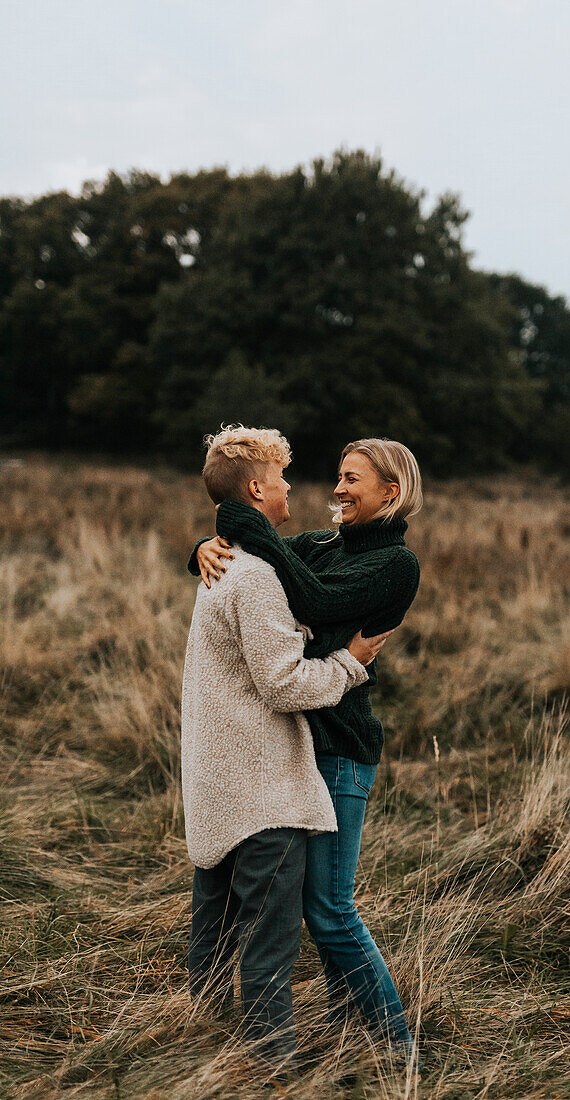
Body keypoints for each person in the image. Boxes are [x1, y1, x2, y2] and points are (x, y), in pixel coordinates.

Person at [189, 436, 423, 1065]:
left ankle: (397, 1047)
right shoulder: (320, 546)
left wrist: (235, 524)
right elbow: (255, 568)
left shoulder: (395, 566)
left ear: (391, 493)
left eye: (353, 479)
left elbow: (313, 600)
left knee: (328, 907)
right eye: (339, 476)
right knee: (305, 908)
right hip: (289, 746)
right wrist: (209, 547)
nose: (338, 488)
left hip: (340, 749)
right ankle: (352, 1036)